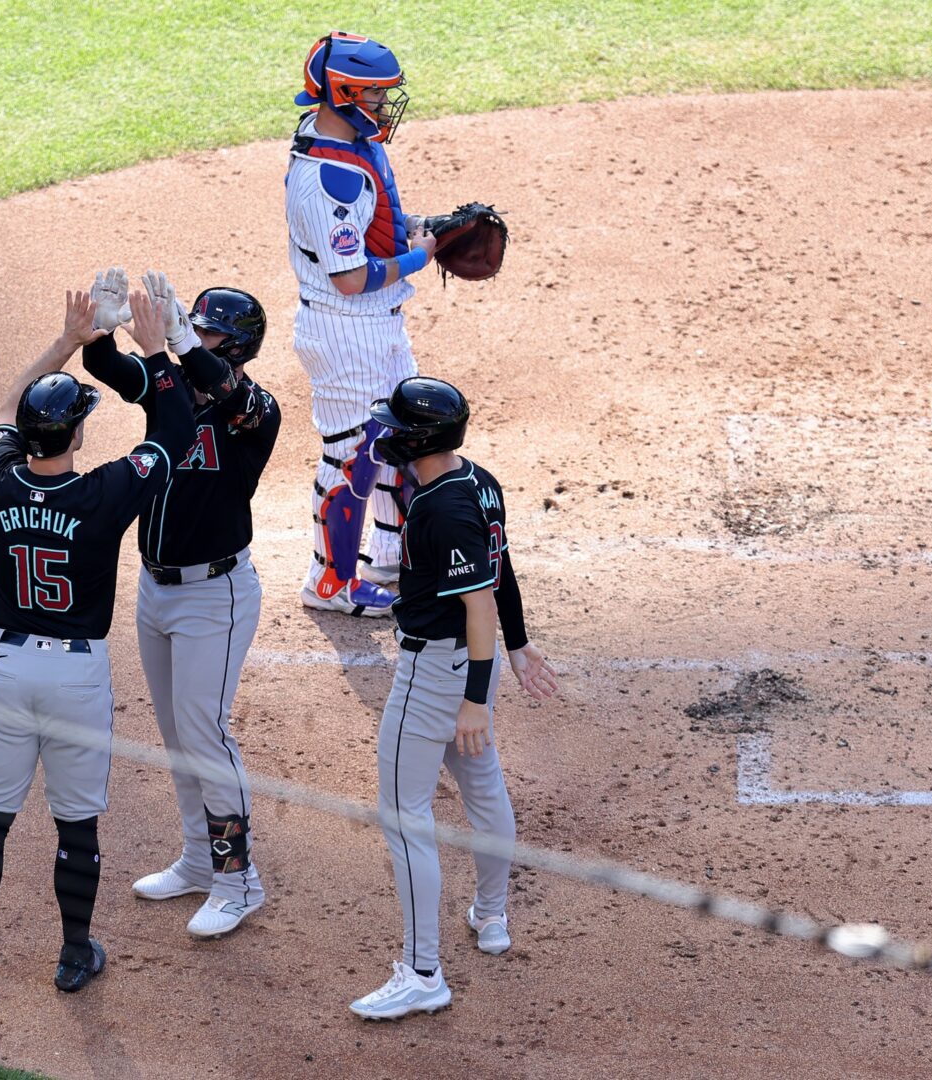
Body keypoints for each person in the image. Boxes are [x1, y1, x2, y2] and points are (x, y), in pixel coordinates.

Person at [0, 283, 195, 1014]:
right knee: (75, 824)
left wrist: (64, 342)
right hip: (75, 677)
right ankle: (74, 952)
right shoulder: (105, 492)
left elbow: (3, 407)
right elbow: (174, 431)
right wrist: (154, 347)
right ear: (77, 436)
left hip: (7, 666)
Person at [346, 377, 559, 1020]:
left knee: (404, 813)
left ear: (420, 438)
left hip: (436, 673)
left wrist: (472, 701)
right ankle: (490, 917)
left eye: (396, 425)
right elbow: (501, 571)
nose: (386, 433)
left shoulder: (442, 506)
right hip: (474, 663)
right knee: (483, 786)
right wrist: (515, 647)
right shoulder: (479, 480)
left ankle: (421, 971)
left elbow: (476, 600)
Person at [80, 270, 280, 938]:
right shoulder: (171, 396)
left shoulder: (256, 413)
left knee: (205, 732)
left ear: (236, 346)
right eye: (191, 324)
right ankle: (199, 860)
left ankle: (238, 879)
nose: (192, 337)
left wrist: (177, 343)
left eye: (208, 330)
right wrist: (103, 327)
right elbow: (110, 367)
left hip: (214, 597)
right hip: (155, 591)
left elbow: (228, 391)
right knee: (177, 736)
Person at [284, 31, 441, 616]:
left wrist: (428, 227)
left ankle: (385, 558)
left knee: (394, 439)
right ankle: (331, 581)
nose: (383, 105)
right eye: (375, 94)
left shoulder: (344, 144)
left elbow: (374, 224)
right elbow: (351, 277)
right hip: (345, 329)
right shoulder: (329, 179)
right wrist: (420, 256)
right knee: (350, 456)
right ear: (344, 91)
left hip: (372, 324)